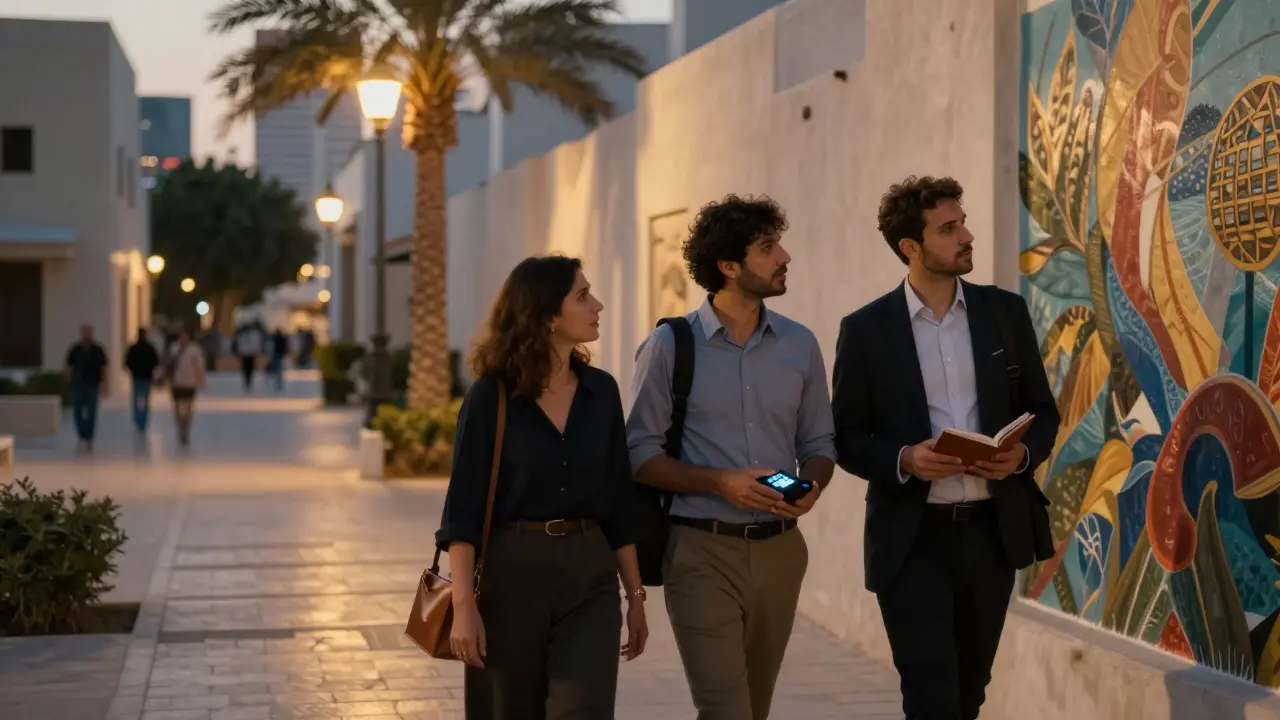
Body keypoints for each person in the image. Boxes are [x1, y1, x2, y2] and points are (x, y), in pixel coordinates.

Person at [830, 176, 1061, 720]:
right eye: (949, 228)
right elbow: (845, 437)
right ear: (910, 247)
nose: (967, 236)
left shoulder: (1004, 313)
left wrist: (1021, 456)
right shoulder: (865, 330)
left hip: (991, 532)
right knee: (931, 696)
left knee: (968, 693)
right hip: (912, 540)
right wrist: (905, 459)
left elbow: (1044, 411)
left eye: (963, 222)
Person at [626, 194, 837, 720]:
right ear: (728, 266)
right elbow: (639, 453)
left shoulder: (800, 344)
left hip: (781, 552)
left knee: (754, 707)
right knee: (726, 709)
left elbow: (819, 445)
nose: (784, 256)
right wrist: (720, 482)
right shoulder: (669, 346)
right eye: (768, 247)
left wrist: (809, 487)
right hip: (700, 552)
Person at [436, 255, 648, 719]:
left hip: (590, 575)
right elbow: (463, 513)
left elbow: (618, 500)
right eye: (582, 295)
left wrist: (635, 597)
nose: (598, 304)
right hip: (511, 579)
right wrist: (465, 607)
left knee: (585, 710)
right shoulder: (491, 397)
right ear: (548, 314)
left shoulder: (601, 392)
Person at [64, 324, 109, 453]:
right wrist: (68, 382)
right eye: (85, 332)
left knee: (92, 412)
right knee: (77, 411)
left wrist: (105, 385)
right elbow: (69, 366)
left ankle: (89, 436)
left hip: (93, 384)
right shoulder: (76, 349)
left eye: (89, 332)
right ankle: (82, 433)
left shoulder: (98, 349)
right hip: (78, 384)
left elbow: (104, 368)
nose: (87, 335)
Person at [165, 326, 206, 448]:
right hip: (176, 383)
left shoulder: (195, 350)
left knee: (188, 407)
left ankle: (185, 429)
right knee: (177, 408)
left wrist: (201, 381)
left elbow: (199, 367)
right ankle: (180, 427)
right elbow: (169, 364)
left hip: (190, 383)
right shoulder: (174, 348)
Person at [124, 328, 161, 434]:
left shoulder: (133, 348)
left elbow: (127, 362)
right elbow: (156, 361)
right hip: (146, 377)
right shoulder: (149, 348)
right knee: (145, 400)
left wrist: (133, 370)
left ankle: (138, 421)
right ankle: (143, 421)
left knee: (136, 400)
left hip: (137, 377)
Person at [232, 323, 263, 391]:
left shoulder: (245, 335)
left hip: (248, 354)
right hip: (247, 354)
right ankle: (247, 382)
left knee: (248, 370)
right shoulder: (244, 336)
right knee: (247, 370)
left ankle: (248, 382)